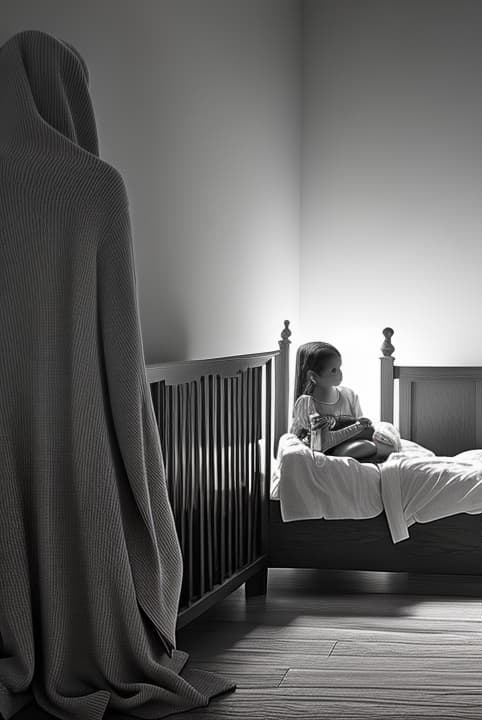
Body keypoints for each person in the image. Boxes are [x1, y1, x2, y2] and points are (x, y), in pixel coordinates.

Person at [0, 30, 233, 718]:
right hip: (72, 409)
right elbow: (119, 337)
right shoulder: (96, 186)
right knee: (93, 520)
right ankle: (86, 641)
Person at [290, 341, 388, 462]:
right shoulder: (307, 403)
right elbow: (297, 436)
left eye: (339, 367)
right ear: (313, 376)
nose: (340, 373)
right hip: (325, 448)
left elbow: (362, 429)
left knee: (370, 443)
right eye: (333, 370)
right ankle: (332, 459)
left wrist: (361, 425)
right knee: (369, 446)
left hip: (348, 442)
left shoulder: (349, 394)